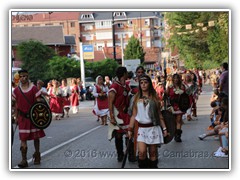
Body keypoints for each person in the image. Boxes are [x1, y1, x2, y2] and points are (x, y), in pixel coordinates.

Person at [128, 74, 168, 168]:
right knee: (141, 153)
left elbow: (159, 115)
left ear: (149, 84)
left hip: (153, 128)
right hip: (141, 129)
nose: (143, 85)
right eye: (141, 83)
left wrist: (165, 128)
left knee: (153, 153)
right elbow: (134, 115)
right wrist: (130, 129)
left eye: (146, 82)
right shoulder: (136, 98)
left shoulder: (154, 98)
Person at [12, 70, 45, 168]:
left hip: (33, 118)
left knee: (36, 137)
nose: (23, 78)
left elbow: (39, 104)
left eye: (25, 76)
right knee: (23, 138)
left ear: (28, 76)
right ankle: (24, 160)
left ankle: (37, 154)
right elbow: (16, 104)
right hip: (22, 118)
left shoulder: (33, 89)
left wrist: (39, 117)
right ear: (19, 77)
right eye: (21, 76)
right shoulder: (16, 91)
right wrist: (16, 116)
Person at [108, 66, 135, 162]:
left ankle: (131, 155)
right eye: (126, 72)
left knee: (129, 133)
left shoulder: (126, 86)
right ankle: (120, 154)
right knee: (118, 135)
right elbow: (110, 102)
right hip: (117, 114)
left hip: (125, 113)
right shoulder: (114, 87)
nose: (128, 74)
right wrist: (112, 117)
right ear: (123, 74)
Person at [166, 73, 186, 142]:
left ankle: (178, 136)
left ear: (179, 79)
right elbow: (166, 96)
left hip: (179, 105)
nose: (176, 80)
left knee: (178, 120)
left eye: (177, 78)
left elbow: (185, 97)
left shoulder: (182, 86)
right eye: (174, 78)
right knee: (173, 121)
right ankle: (174, 133)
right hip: (172, 105)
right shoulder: (170, 87)